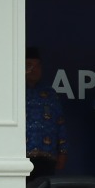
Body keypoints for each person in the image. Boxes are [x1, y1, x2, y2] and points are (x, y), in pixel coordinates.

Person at [25, 47, 67, 179]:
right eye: (29, 65)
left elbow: (60, 124)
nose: (34, 70)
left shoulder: (49, 93)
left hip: (47, 156)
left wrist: (63, 152)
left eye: (37, 66)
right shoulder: (13, 91)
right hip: (19, 158)